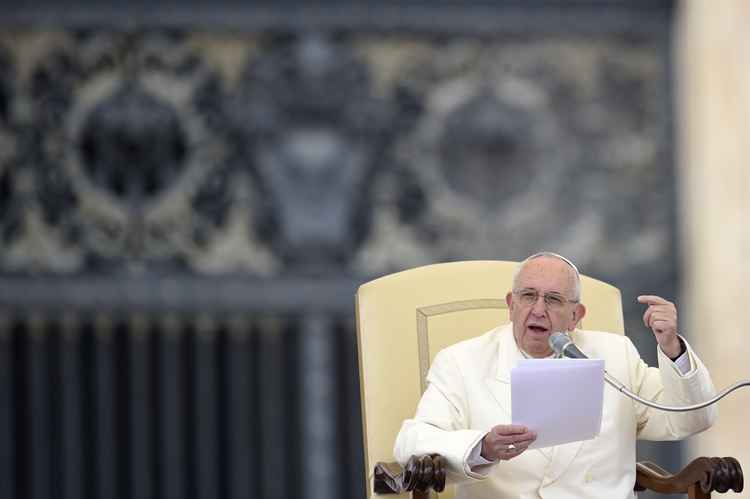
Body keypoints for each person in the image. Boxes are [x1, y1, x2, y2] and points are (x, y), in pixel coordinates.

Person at [393, 252, 716, 499]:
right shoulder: (462, 362)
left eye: (553, 300)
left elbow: (690, 419)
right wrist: (483, 448)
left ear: (576, 316)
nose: (537, 310)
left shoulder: (616, 356)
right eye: (528, 296)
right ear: (511, 304)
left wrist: (672, 348)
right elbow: (411, 442)